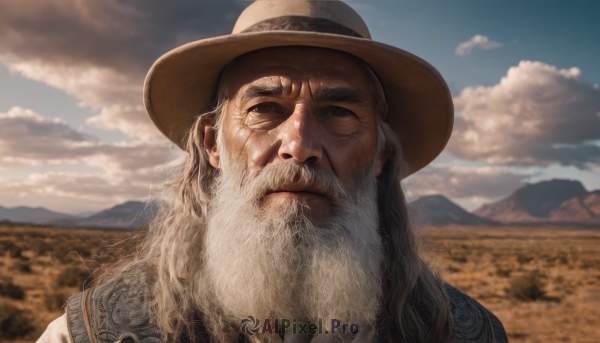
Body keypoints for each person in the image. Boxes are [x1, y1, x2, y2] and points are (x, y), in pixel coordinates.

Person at [38, 1, 507, 342]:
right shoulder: (97, 334)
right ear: (212, 146)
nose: (299, 146)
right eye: (264, 108)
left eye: (339, 113)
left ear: (381, 154)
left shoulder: (462, 334)